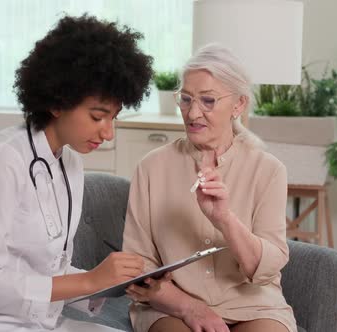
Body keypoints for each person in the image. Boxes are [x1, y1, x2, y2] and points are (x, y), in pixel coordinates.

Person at [0, 15, 153, 332]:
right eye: (98, 116)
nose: (108, 133)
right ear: (58, 102)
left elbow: (47, 269)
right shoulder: (2, 159)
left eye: (114, 119)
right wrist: (89, 280)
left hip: (42, 322)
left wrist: (111, 284)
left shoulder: (70, 163)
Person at [122, 44, 297, 332]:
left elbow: (267, 268)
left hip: (254, 306)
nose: (192, 114)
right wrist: (190, 308)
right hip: (171, 307)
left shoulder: (269, 170)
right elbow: (138, 265)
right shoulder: (150, 168)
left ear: (238, 105)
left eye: (208, 101)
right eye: (186, 99)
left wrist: (224, 219)